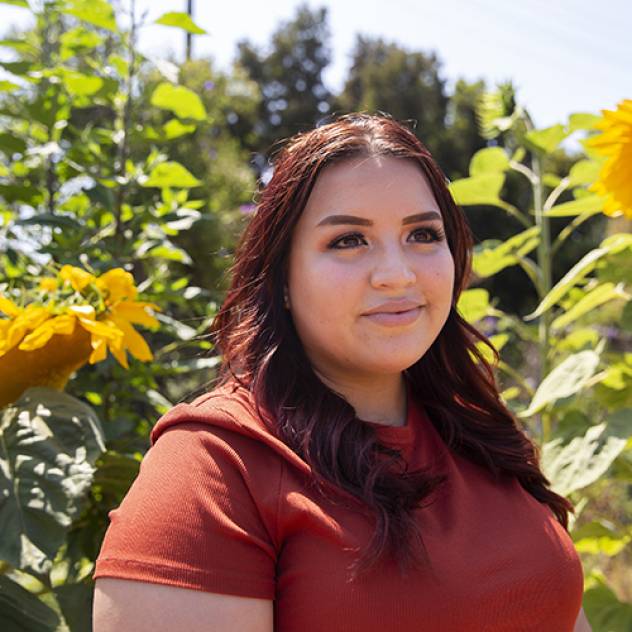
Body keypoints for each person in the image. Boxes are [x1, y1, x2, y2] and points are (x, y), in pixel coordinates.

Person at [92, 112, 592, 632]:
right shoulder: (216, 467)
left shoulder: (480, 435)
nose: (398, 274)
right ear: (281, 276)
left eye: (423, 233)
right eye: (349, 240)